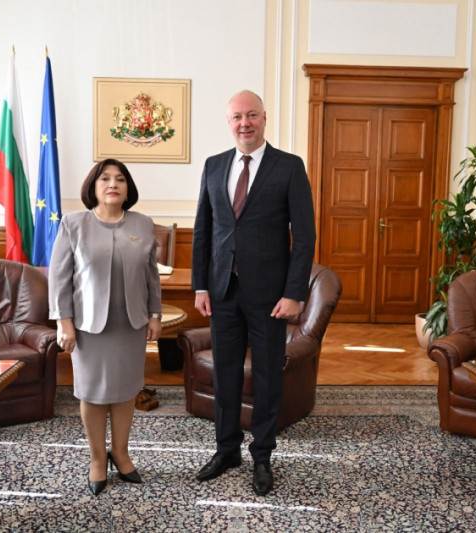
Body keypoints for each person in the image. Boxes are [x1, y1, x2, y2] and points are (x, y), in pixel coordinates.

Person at [191, 90, 316, 496]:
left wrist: (294, 293)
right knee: (225, 373)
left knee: (266, 375)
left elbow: (305, 236)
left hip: (270, 295)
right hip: (222, 291)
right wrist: (201, 285)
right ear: (228, 122)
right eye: (236, 117)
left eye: (251, 115)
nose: (244, 123)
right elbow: (204, 230)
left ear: (264, 118)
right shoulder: (213, 166)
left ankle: (262, 455)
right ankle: (226, 450)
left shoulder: (289, 166)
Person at [48, 158, 163, 497]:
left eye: (120, 179)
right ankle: (98, 459)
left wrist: (155, 314)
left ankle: (121, 454)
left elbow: (151, 276)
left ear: (128, 189)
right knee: (93, 393)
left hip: (131, 324)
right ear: (93, 187)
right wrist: (64, 322)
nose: (113, 184)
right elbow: (59, 278)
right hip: (87, 328)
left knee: (126, 391)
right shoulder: (73, 223)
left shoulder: (143, 224)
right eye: (105, 179)